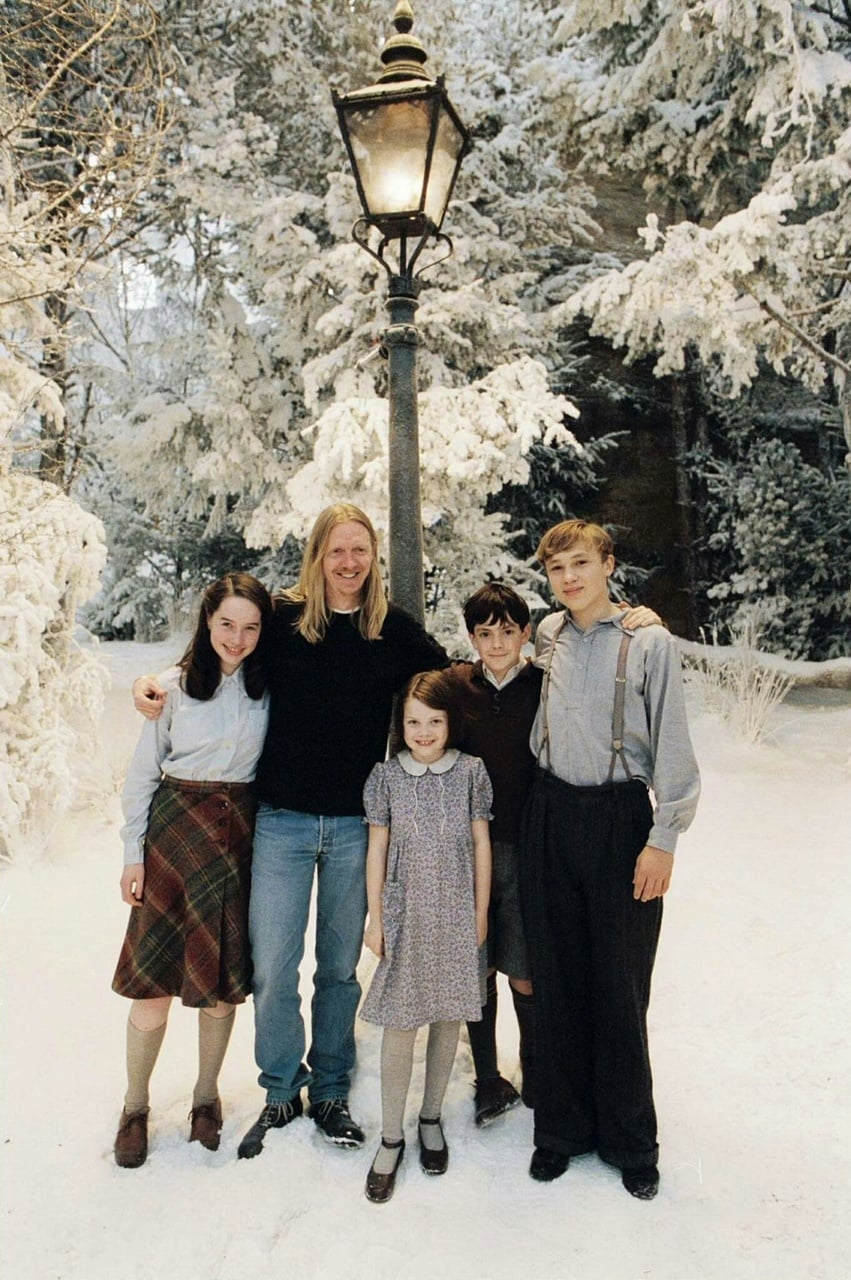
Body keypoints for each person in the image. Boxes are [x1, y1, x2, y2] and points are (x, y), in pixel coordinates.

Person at [132, 504, 448, 1159]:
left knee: (338, 969)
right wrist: (148, 685)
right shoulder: (281, 620)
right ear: (318, 555)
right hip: (280, 822)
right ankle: (281, 1088)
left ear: (373, 557)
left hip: (356, 825)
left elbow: (447, 681)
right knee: (273, 968)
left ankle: (329, 1089)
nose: (349, 563)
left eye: (359, 550)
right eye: (337, 550)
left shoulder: (389, 629)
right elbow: (217, 653)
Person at [522, 519, 700, 1199]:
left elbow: (674, 743)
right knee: (558, 976)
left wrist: (663, 837)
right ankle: (561, 1130)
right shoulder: (548, 634)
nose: (569, 578)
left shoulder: (648, 642)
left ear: (608, 565)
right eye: (556, 568)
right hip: (550, 812)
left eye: (580, 563)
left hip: (620, 818)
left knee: (620, 983)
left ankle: (629, 1139)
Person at [447, 583, 661, 1128]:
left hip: (530, 845)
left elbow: (591, 665)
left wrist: (636, 616)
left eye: (507, 632)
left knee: (527, 967)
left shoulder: (544, 681)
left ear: (527, 633)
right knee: (478, 963)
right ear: (471, 638)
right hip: (468, 851)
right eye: (484, 634)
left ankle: (538, 1067)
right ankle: (487, 1077)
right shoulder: (456, 686)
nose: (497, 644)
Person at [113, 572, 272, 1169]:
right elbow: (141, 777)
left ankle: (207, 1098)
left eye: (250, 627)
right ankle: (134, 1107)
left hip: (235, 842)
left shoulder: (269, 688)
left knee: (220, 986)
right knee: (152, 986)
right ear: (207, 623)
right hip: (173, 840)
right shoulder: (172, 689)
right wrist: (132, 854)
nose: (237, 637)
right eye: (226, 623)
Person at [360, 670, 492, 1204]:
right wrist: (375, 917)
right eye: (413, 722)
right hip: (406, 910)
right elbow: (377, 849)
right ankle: (391, 1135)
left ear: (450, 722)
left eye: (434, 721)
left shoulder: (471, 773)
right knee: (400, 1020)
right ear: (402, 725)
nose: (424, 732)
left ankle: (431, 1117)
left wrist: (481, 912)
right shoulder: (387, 777)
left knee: (446, 1014)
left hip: (456, 909)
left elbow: (481, 845)